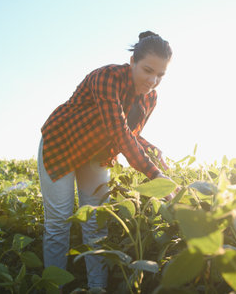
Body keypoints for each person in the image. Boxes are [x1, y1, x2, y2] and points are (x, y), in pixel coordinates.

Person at [37, 31, 173, 290]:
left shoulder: (150, 97)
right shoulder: (107, 77)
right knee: (59, 223)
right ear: (132, 61)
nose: (153, 80)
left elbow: (131, 133)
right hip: (61, 146)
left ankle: (96, 288)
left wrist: (154, 151)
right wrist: (156, 175)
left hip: (97, 154)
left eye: (161, 75)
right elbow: (119, 132)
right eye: (147, 70)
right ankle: (53, 288)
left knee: (96, 224)